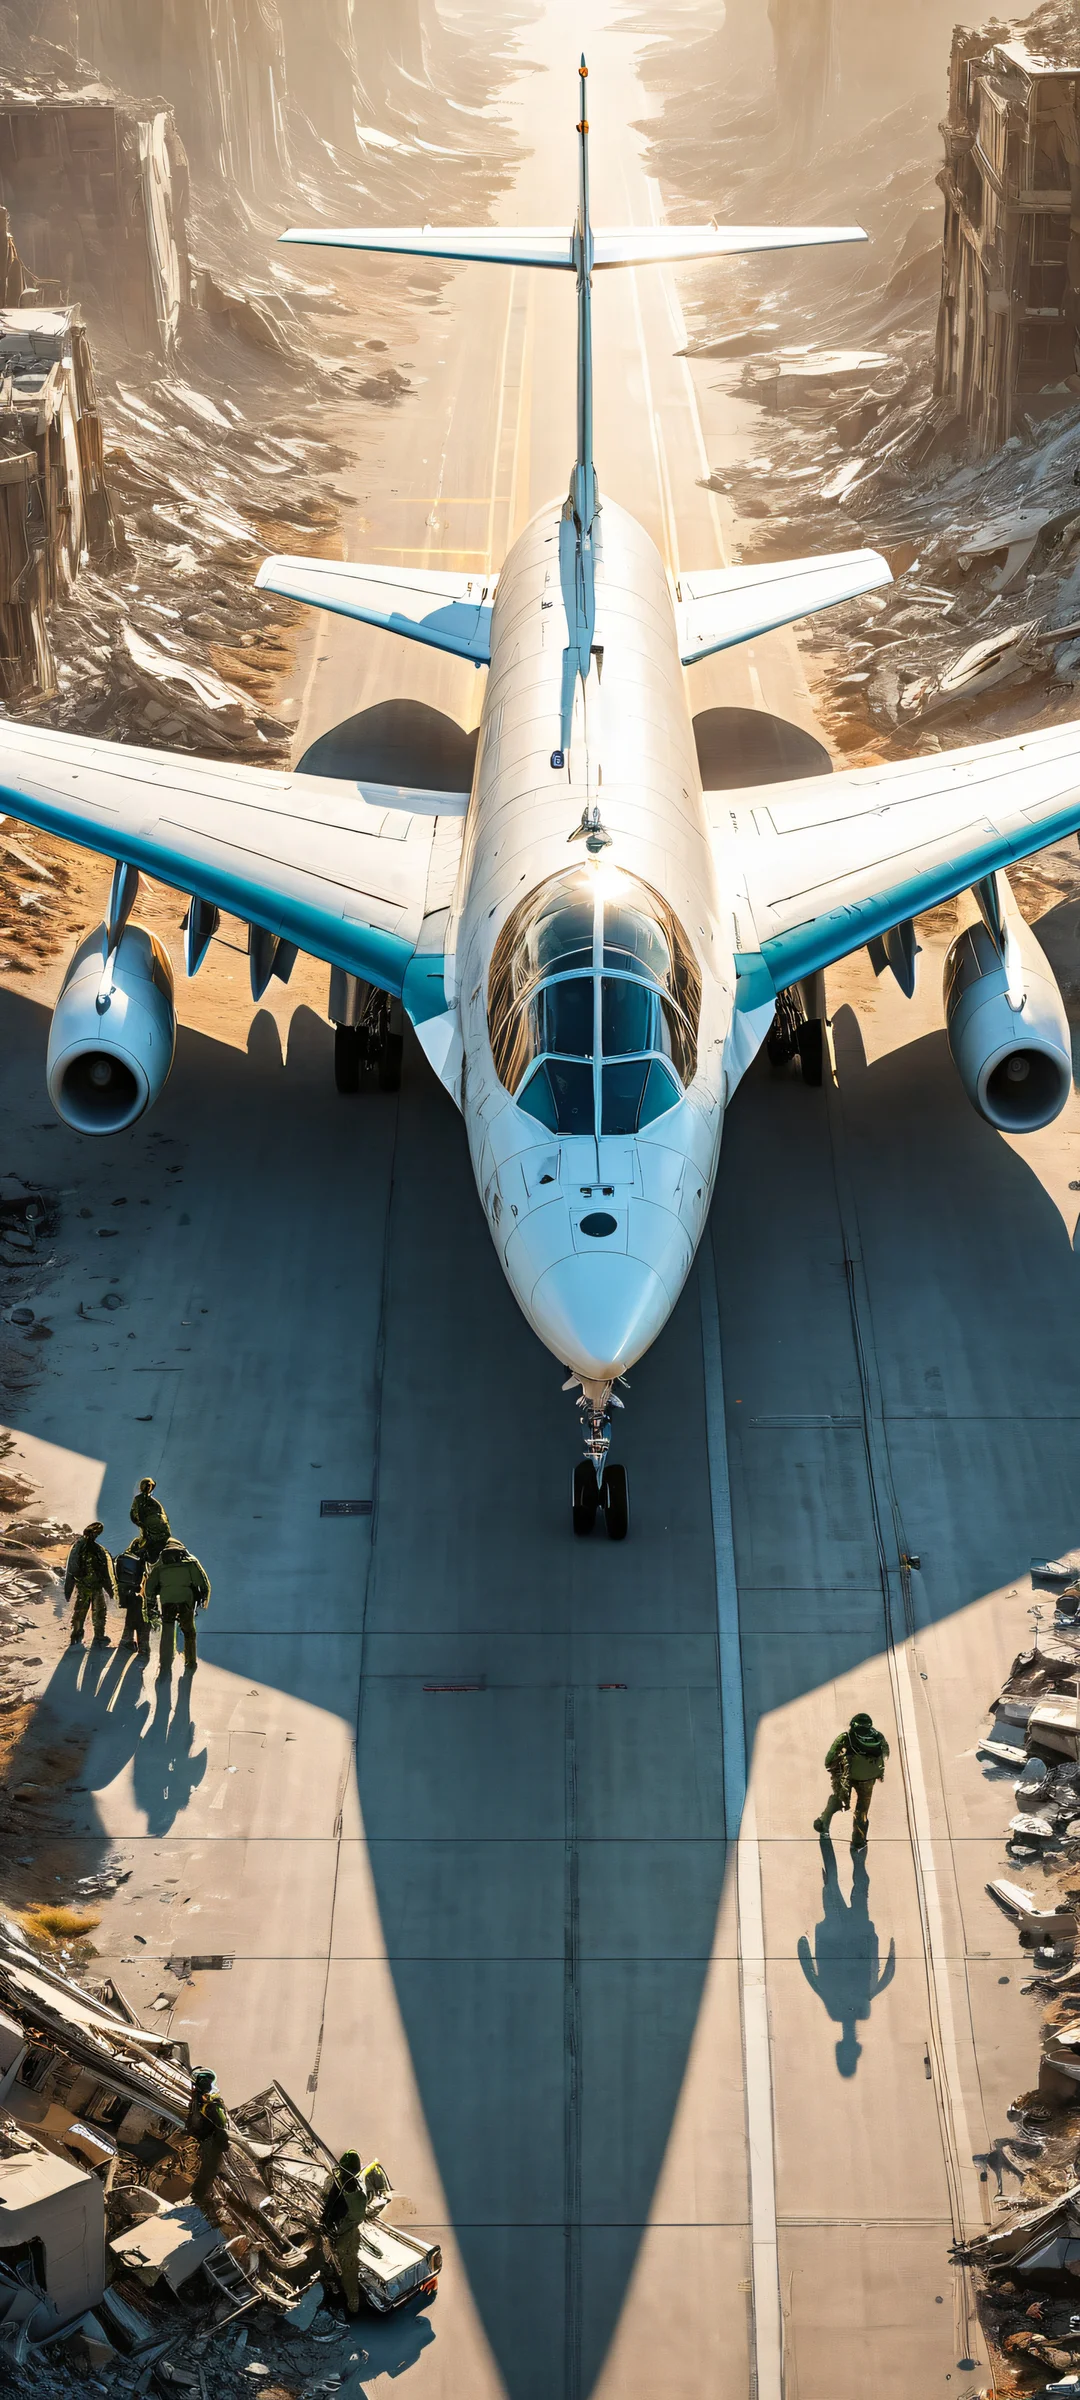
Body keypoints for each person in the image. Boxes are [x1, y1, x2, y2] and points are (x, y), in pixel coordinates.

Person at [813, 1712, 890, 1851]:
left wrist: (834, 1766)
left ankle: (823, 1823)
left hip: (847, 1776)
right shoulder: (878, 1737)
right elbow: (885, 1754)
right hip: (868, 1779)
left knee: (839, 1798)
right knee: (862, 1809)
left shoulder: (845, 1737)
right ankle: (858, 1840)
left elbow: (829, 1758)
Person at [144, 1539, 211, 1677]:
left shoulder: (160, 1566)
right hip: (186, 1601)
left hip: (167, 1601)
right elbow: (202, 1583)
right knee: (189, 1631)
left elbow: (149, 1587)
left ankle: (165, 1663)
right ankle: (190, 1661)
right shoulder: (190, 1564)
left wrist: (151, 1603)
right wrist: (204, 1598)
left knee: (167, 1631)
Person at [320, 2150, 369, 2314]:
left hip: (344, 2234)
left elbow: (331, 2205)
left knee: (348, 2269)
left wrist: (327, 2224)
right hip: (344, 2231)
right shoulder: (354, 2187)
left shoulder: (345, 2188)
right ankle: (343, 2293)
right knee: (343, 2265)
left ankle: (352, 2304)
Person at [64, 1522, 116, 1647]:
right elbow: (72, 1568)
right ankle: (94, 1636)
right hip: (91, 1586)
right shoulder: (95, 1549)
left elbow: (71, 1569)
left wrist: (69, 1588)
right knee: (94, 1611)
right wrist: (109, 1588)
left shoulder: (80, 1547)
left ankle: (79, 1635)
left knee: (84, 1611)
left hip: (87, 1586)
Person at [187, 2068, 229, 2210]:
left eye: (208, 2080)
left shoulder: (210, 2101)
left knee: (209, 2170)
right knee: (207, 2170)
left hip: (210, 2140)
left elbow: (220, 2122)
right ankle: (200, 2199)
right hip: (204, 2140)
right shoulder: (197, 2099)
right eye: (203, 2079)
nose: (206, 2082)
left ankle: (202, 2199)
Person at [114, 1542, 151, 1659]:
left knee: (131, 1616)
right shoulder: (144, 1559)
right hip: (140, 1593)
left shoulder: (127, 1557)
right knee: (143, 1620)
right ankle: (143, 1647)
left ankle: (127, 1641)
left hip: (127, 1592)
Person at [129, 1476, 171, 1562]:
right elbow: (133, 1514)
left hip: (157, 1529)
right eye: (147, 1485)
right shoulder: (139, 1499)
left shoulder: (154, 1502)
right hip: (149, 1528)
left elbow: (162, 1515)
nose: (148, 1488)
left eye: (149, 1486)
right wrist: (140, 1523)